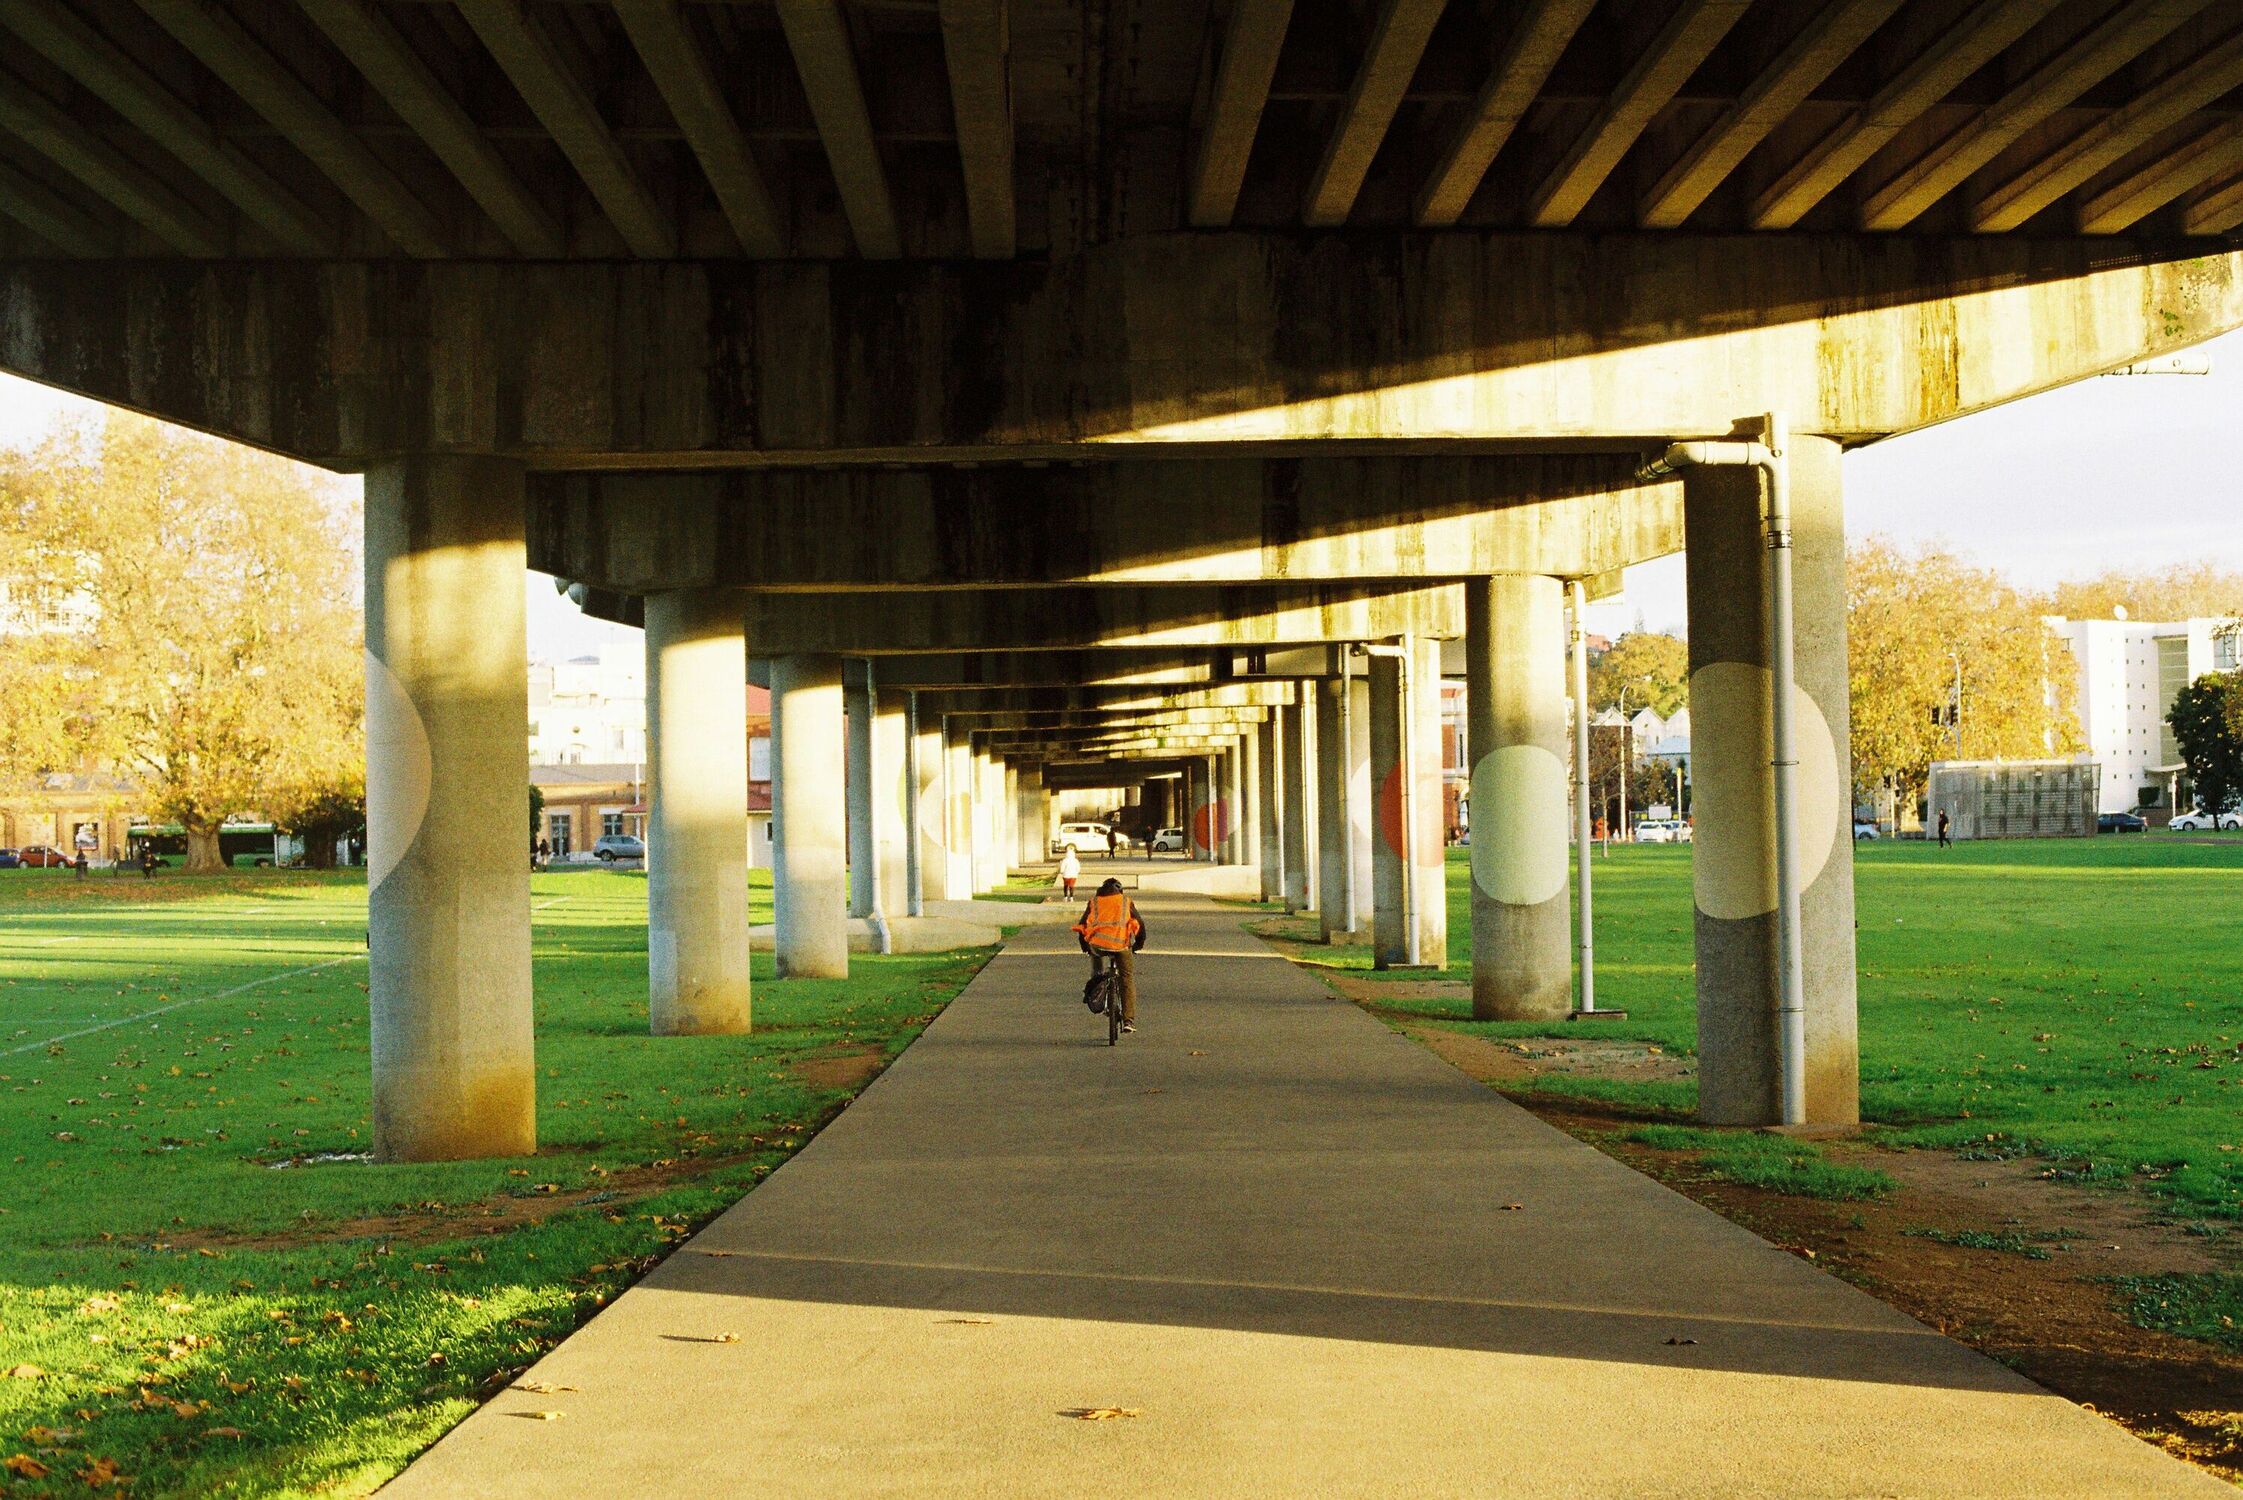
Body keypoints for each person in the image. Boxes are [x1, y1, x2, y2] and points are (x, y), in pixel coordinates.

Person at [1073, 876, 1148, 1034]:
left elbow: (1082, 925)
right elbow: (1140, 925)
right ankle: (1128, 1020)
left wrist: (1085, 947)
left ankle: (1098, 985)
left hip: (1098, 945)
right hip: (1121, 946)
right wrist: (1137, 945)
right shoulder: (1125, 901)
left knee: (1097, 966)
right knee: (1126, 978)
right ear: (1119, 891)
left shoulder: (1094, 902)